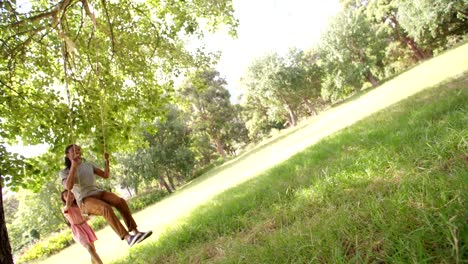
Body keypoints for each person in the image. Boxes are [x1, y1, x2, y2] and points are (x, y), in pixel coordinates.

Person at [59, 144, 152, 247]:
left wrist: (107, 161)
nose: (77, 152)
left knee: (120, 201)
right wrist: (73, 166)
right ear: (67, 155)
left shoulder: (88, 165)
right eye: (73, 151)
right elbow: (68, 186)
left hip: (98, 193)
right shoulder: (64, 172)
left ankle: (136, 232)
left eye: (78, 150)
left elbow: (105, 175)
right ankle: (128, 238)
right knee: (105, 208)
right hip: (84, 201)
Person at [61, 190, 103, 264]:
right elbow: (67, 205)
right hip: (77, 230)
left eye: (71, 194)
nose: (69, 196)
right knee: (89, 248)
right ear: (64, 199)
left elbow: (86, 216)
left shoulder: (79, 204)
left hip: (85, 226)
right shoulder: (65, 208)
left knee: (93, 250)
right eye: (66, 196)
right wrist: (69, 189)